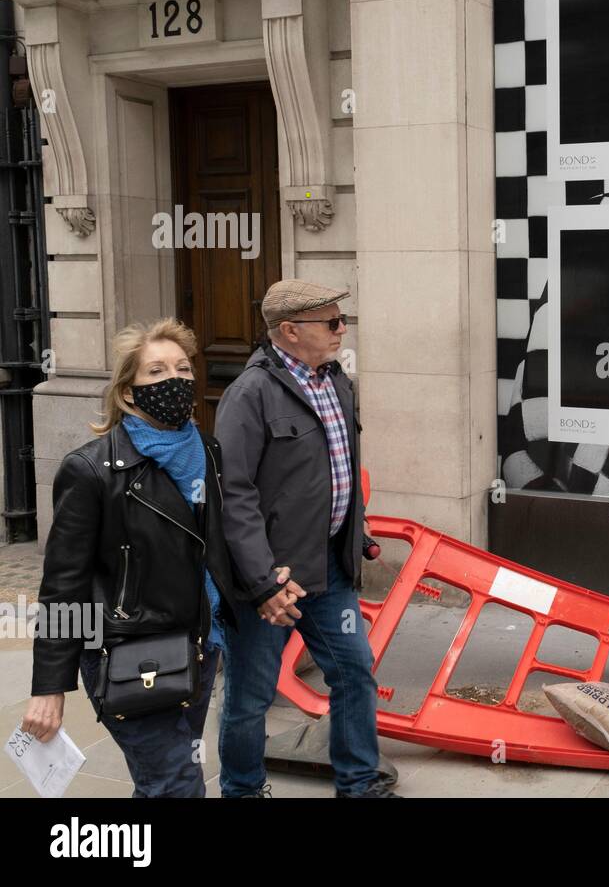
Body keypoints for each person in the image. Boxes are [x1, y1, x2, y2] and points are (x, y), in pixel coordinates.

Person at [22, 318, 238, 797]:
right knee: (177, 785)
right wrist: (48, 686)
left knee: (160, 782)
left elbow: (212, 547)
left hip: (199, 646)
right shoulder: (91, 470)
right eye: (156, 371)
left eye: (182, 368)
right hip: (127, 651)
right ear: (127, 390)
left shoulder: (207, 449)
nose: (175, 381)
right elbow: (63, 585)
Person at [215, 279, 396, 798]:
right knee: (251, 695)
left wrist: (354, 526)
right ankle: (243, 791)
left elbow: (341, 466)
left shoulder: (335, 380)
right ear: (290, 331)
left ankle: (359, 785)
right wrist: (262, 581)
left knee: (355, 673)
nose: (343, 330)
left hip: (330, 567)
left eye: (343, 320)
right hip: (273, 580)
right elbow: (235, 494)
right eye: (332, 322)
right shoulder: (248, 395)